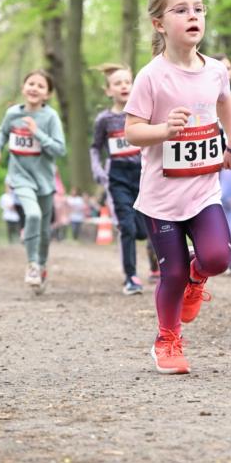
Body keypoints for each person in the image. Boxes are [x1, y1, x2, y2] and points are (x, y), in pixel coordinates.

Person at [125, 0, 231, 375]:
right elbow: (132, 131)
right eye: (181, 10)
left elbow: (225, 104)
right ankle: (167, 339)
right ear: (160, 24)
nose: (192, 15)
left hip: (202, 191)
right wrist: (164, 130)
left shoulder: (215, 70)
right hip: (162, 199)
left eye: (198, 8)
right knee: (173, 272)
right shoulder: (151, 76)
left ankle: (199, 279)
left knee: (217, 258)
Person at [0, 69, 66, 291]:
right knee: (32, 214)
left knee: (44, 230)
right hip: (19, 177)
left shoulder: (50, 117)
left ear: (47, 94)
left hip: (44, 181)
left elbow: (59, 150)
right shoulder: (13, 113)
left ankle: (41, 265)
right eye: (31, 83)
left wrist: (37, 133)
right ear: (23, 88)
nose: (34, 88)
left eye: (41, 86)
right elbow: (2, 134)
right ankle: (32, 264)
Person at [90, 63, 158, 295]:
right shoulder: (104, 120)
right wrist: (98, 171)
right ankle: (130, 277)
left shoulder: (142, 114)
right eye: (117, 83)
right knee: (126, 227)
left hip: (143, 173)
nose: (123, 86)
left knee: (144, 228)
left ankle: (156, 263)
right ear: (109, 90)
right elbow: (95, 148)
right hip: (117, 176)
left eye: (127, 82)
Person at [211, 54, 231, 275]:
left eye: (229, 67)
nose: (226, 71)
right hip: (208, 157)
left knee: (227, 200)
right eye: (222, 67)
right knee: (210, 203)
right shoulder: (201, 95)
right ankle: (212, 251)